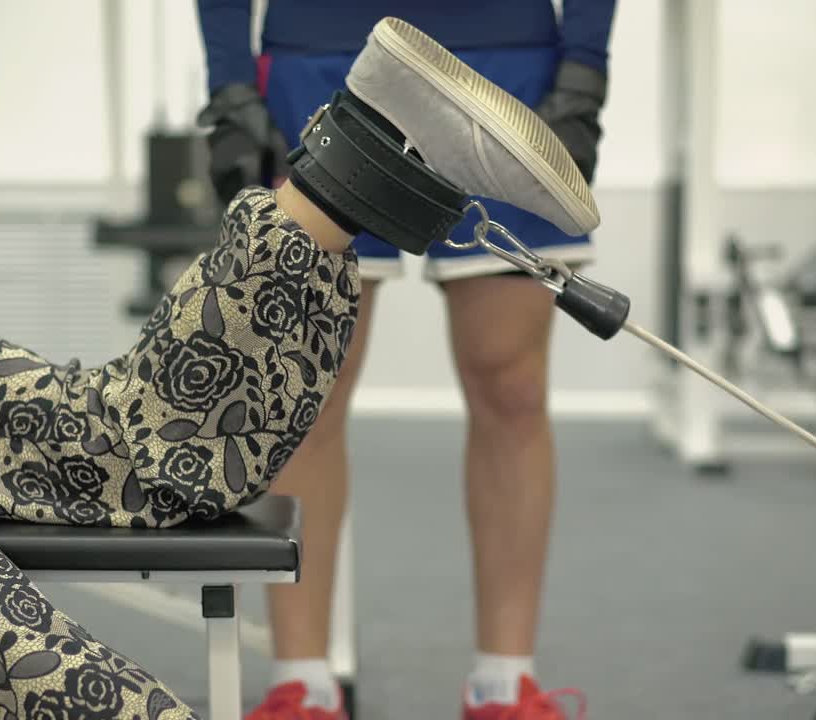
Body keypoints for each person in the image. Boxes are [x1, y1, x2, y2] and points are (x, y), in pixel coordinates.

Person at [0, 18, 597, 720]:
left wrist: (583, 64)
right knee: (64, 463)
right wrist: (229, 76)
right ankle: (346, 173)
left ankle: (345, 174)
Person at [196, 2, 616, 718]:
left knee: (511, 385)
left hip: (506, 60)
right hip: (325, 57)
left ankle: (504, 684)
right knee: (312, 389)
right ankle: (304, 685)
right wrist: (231, 82)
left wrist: (585, 68)